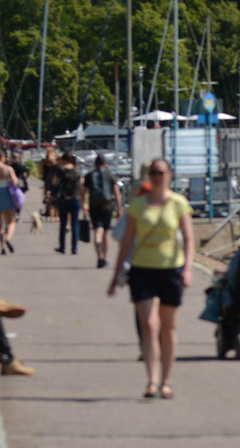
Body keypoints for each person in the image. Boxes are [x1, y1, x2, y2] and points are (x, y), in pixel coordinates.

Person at [108, 158, 193, 399]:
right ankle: (151, 381)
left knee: (168, 328)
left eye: (161, 172)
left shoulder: (179, 204)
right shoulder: (138, 204)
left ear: (169, 175)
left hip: (171, 269)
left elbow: (188, 239)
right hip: (142, 269)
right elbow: (126, 242)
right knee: (149, 324)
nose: (157, 177)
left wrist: (187, 269)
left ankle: (166, 381)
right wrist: (115, 275)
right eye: (153, 173)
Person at [82, 155, 121, 268]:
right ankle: (104, 258)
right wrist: (119, 209)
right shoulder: (109, 175)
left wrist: (83, 204)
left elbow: (83, 191)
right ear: (105, 163)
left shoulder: (89, 176)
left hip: (94, 206)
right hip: (107, 207)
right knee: (106, 232)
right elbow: (117, 193)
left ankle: (98, 256)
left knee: (97, 232)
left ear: (95, 163)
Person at [49, 152, 84, 254]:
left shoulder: (60, 170)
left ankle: (62, 247)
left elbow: (54, 182)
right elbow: (81, 184)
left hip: (63, 199)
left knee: (63, 223)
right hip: (75, 199)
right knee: (74, 224)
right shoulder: (77, 171)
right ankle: (74, 248)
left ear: (64, 160)